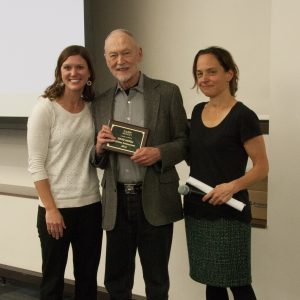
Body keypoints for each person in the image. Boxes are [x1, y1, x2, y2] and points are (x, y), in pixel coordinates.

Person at [90, 29, 188, 300]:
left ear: (139, 54)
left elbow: (184, 142)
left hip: (155, 198)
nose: (120, 60)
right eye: (113, 55)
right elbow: (96, 158)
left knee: (156, 281)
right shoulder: (99, 102)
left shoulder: (167, 92)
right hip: (116, 201)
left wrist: (159, 152)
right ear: (106, 59)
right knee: (116, 281)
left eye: (126, 52)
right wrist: (98, 149)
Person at [184, 46, 269, 300]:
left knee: (238, 283)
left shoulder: (244, 116)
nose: (204, 79)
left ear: (229, 74)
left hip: (230, 213)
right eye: (199, 73)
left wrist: (231, 186)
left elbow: (262, 166)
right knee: (212, 282)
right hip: (197, 209)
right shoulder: (197, 112)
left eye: (211, 71)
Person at [27, 45, 102, 300]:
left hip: (91, 205)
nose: (74, 72)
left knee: (87, 281)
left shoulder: (93, 108)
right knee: (52, 282)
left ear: (89, 72)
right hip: (55, 210)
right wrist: (51, 209)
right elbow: (36, 164)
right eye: (67, 67)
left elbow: (94, 155)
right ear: (59, 72)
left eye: (80, 67)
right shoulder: (45, 108)